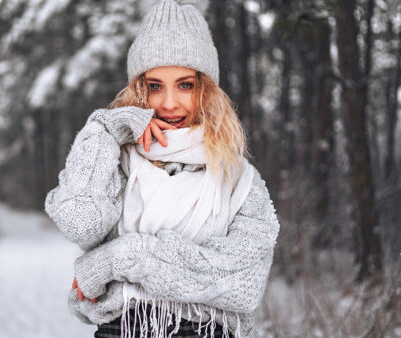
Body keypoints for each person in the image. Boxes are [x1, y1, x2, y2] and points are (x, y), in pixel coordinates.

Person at [45, 1, 280, 337]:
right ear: (140, 89)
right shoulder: (120, 160)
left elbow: (240, 282)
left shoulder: (239, 179)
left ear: (206, 89)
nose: (169, 103)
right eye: (155, 86)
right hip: (120, 329)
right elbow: (81, 224)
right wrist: (106, 129)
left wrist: (119, 258)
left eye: (185, 84)